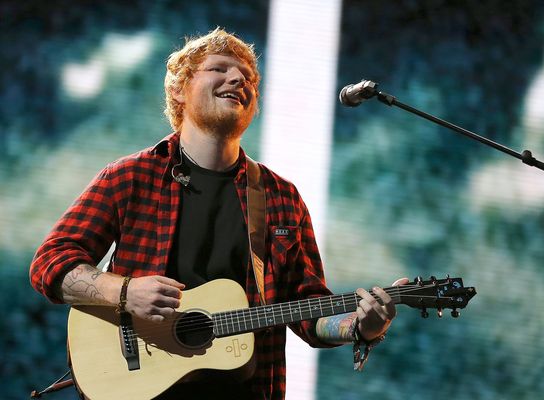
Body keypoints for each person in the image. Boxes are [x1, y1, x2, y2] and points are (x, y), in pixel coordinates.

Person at [30, 27, 408, 399]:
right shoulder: (131, 177)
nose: (238, 79)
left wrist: (361, 326)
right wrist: (126, 291)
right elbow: (50, 262)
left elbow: (309, 311)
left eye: (249, 78)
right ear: (179, 88)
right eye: (220, 68)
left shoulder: (281, 197)